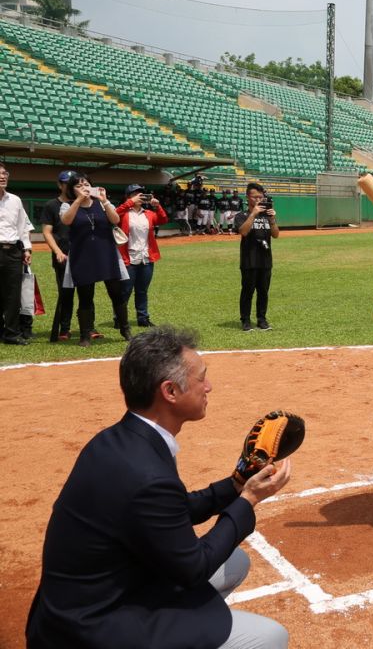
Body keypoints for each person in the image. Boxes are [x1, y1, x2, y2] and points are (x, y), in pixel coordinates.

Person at [26, 327, 292, 648]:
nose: (209, 386)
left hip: (78, 603)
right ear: (170, 391)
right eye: (201, 379)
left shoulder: (121, 439)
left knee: (234, 563)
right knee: (269, 637)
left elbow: (173, 508)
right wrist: (248, 500)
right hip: (91, 628)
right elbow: (193, 568)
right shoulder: (148, 475)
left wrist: (236, 484)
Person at [60, 173, 130, 346]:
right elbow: (66, 221)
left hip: (106, 253)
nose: (83, 187)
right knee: (85, 296)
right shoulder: (66, 206)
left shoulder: (102, 203)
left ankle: (125, 329)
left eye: (86, 184)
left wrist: (105, 200)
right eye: (78, 185)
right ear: (72, 190)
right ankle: (85, 335)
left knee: (116, 293)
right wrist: (77, 201)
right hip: (82, 256)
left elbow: (116, 219)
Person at [117, 184, 169, 328]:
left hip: (146, 257)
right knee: (125, 290)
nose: (140, 196)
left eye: (141, 194)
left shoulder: (149, 213)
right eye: (135, 194)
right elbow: (114, 215)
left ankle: (143, 318)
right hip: (128, 258)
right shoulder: (124, 213)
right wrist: (129, 203)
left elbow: (163, 220)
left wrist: (158, 206)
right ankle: (119, 318)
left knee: (142, 290)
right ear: (128, 196)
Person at [234, 183, 279, 331]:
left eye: (261, 197)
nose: (259, 199)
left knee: (263, 292)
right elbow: (243, 231)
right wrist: (253, 214)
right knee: (247, 291)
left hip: (265, 259)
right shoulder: (242, 215)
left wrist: (272, 220)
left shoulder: (267, 216)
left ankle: (262, 319)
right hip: (249, 260)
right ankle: (245, 321)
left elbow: (276, 234)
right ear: (248, 198)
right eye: (255, 197)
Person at [41, 170, 77, 343]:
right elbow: (47, 232)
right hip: (63, 255)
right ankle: (64, 328)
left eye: (72, 183)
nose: (68, 186)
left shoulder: (82, 204)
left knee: (87, 292)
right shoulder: (51, 205)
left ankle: (89, 327)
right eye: (65, 183)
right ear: (59, 185)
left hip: (83, 255)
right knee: (66, 293)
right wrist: (57, 251)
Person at [0, 163, 34, 345]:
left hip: (13, 251)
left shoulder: (15, 200)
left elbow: (22, 227)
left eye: (4, 173)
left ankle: (11, 333)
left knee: (13, 294)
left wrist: (26, 248)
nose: (2, 176)